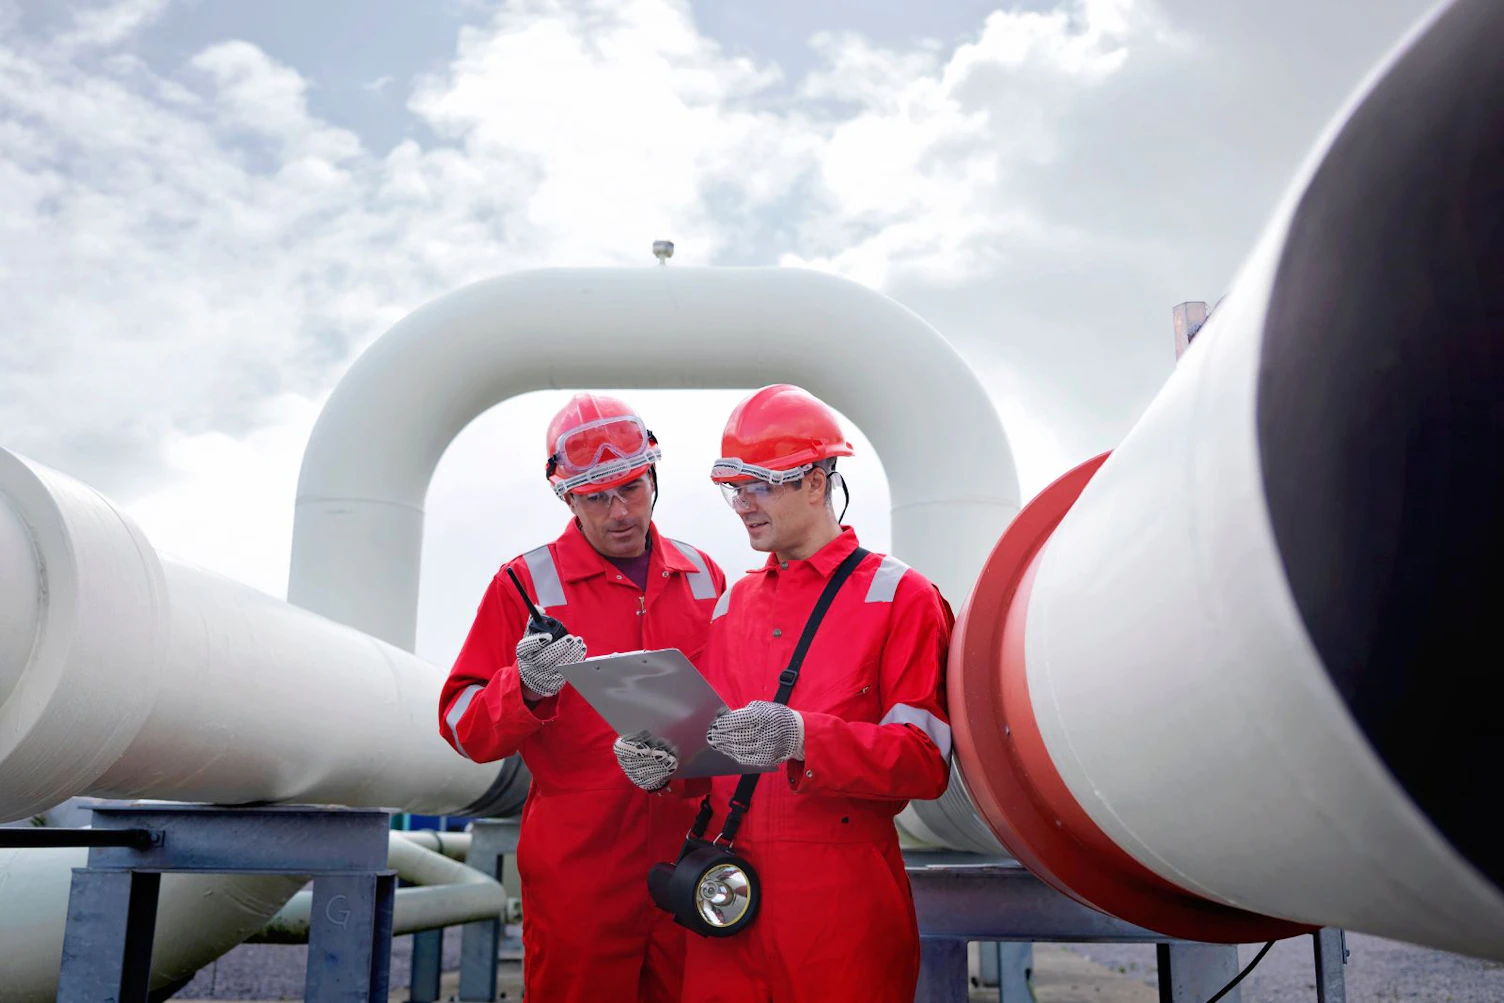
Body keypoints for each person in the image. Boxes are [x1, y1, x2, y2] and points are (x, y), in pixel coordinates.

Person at [613, 383, 954, 1002]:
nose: (742, 505)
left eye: (759, 486)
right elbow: (714, 748)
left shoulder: (900, 597)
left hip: (838, 907)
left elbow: (923, 761)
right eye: (733, 489)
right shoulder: (734, 604)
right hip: (729, 897)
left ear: (816, 483)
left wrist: (802, 737)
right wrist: (667, 767)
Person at [438, 392, 726, 1003]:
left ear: (653, 478)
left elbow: (736, 704)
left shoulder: (704, 577)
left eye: (631, 489)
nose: (619, 512)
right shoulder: (524, 585)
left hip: (692, 855)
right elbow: (463, 727)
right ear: (566, 497)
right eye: (596, 497)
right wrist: (526, 686)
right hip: (580, 871)